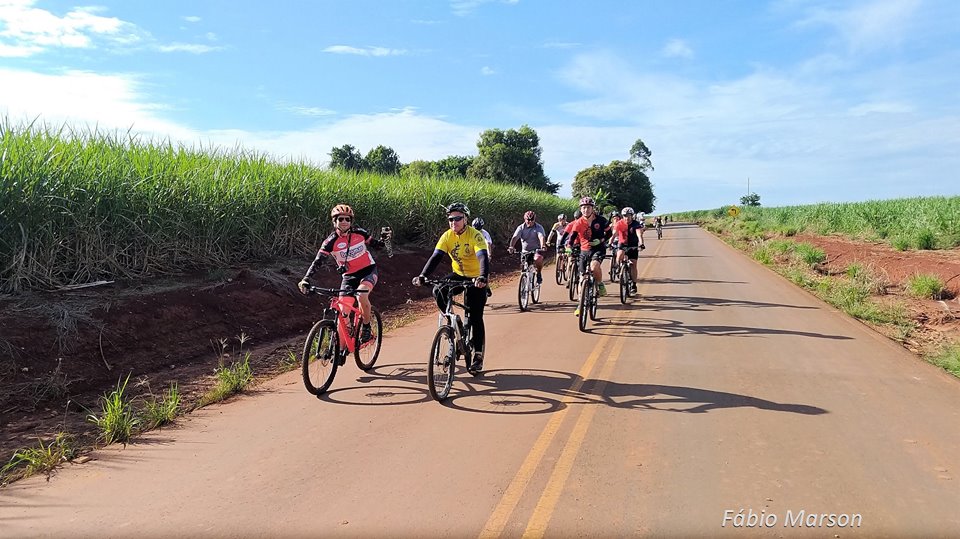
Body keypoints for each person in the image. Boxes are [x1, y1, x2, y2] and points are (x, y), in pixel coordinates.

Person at [413, 203, 490, 372]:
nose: (453, 222)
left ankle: (478, 355)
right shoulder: (447, 236)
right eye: (450, 219)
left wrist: (483, 277)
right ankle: (452, 320)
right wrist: (423, 276)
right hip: (458, 274)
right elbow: (436, 257)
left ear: (465, 219)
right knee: (438, 290)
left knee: (476, 315)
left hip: (476, 276)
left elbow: (483, 257)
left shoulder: (475, 235)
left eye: (457, 218)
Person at [298, 204, 391, 343]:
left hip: (368, 271)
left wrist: (384, 240)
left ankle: (366, 328)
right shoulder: (330, 242)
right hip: (349, 276)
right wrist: (306, 279)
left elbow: (376, 245)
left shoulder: (360, 233)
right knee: (343, 312)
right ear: (334, 221)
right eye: (340, 219)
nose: (344, 222)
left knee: (361, 295)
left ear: (351, 221)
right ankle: (342, 347)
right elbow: (318, 262)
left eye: (347, 219)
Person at [566, 197, 612, 315]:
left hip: (598, 249)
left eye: (588, 207)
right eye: (583, 207)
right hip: (584, 251)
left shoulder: (601, 220)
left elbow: (609, 233)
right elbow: (572, 237)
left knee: (594, 266)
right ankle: (580, 304)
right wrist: (568, 246)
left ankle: (600, 284)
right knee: (582, 278)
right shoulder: (578, 222)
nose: (586, 210)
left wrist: (601, 240)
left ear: (593, 208)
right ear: (581, 209)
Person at [508, 210, 547, 284]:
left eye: (532, 220)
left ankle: (539, 273)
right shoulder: (521, 227)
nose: (530, 221)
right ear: (525, 219)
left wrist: (543, 245)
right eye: (528, 220)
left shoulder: (538, 227)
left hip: (536, 250)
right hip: (525, 251)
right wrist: (511, 247)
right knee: (523, 268)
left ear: (534, 219)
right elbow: (515, 237)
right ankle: (524, 283)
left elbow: (541, 236)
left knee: (538, 259)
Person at [614, 207, 645, 294]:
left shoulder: (636, 224)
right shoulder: (619, 223)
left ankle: (634, 284)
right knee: (619, 255)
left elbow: (639, 235)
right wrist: (610, 242)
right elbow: (614, 234)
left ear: (632, 216)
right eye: (625, 216)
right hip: (622, 244)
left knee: (633, 264)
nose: (627, 218)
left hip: (633, 245)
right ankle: (618, 267)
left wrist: (641, 244)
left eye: (628, 216)